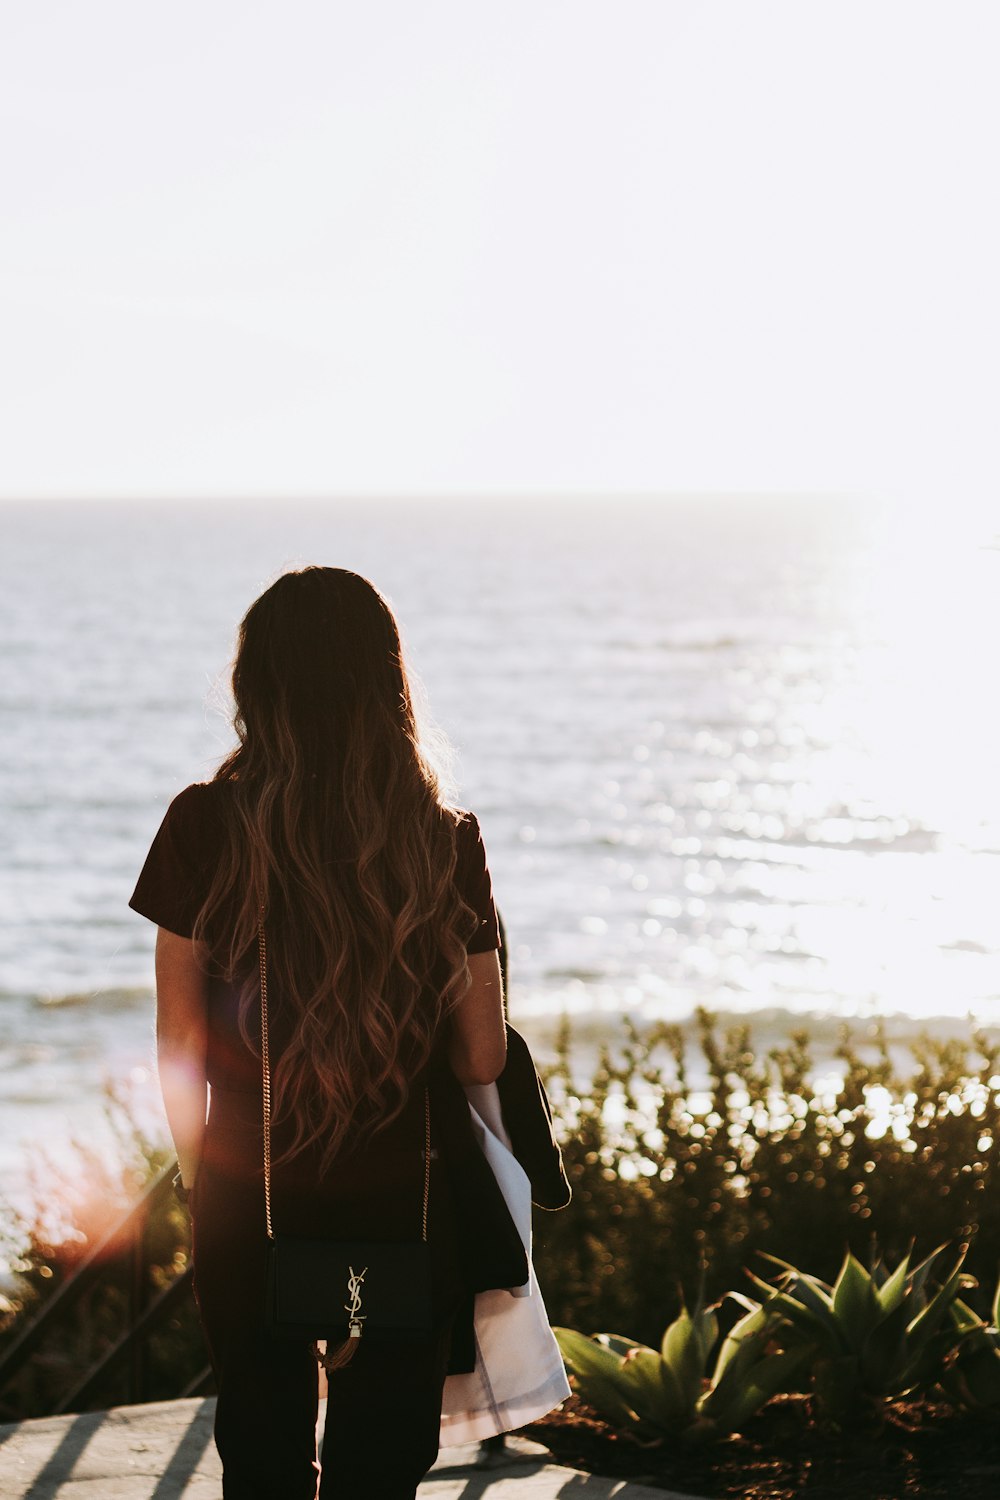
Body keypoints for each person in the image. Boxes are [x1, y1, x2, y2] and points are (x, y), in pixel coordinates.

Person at [129, 566, 533, 1499]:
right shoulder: (444, 839)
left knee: (263, 1463)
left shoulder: (201, 825)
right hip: (409, 1201)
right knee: (378, 1474)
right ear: (386, 683)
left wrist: (202, 1182)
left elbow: (179, 1048)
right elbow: (481, 1055)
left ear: (255, 684)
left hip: (250, 1189)